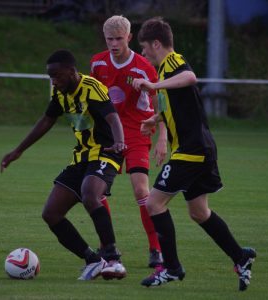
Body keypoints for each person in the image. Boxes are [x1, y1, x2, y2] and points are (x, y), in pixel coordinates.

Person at [131, 17, 256, 291]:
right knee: (199, 212)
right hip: (198, 149)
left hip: (192, 150)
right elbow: (177, 106)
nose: (142, 53)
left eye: (144, 47)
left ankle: (172, 268)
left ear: (156, 43)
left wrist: (154, 87)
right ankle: (240, 256)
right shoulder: (164, 71)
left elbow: (190, 77)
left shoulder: (173, 62)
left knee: (153, 204)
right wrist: (155, 118)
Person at [0, 49, 127, 281]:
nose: (54, 81)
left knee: (90, 194)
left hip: (107, 152)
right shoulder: (60, 94)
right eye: (51, 77)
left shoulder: (91, 87)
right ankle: (92, 260)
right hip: (82, 157)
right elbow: (47, 120)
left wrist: (119, 141)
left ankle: (112, 258)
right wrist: (18, 150)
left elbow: (112, 116)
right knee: (51, 213)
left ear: (71, 72)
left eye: (57, 76)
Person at [90, 15, 167, 268]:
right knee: (95, 191)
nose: (113, 43)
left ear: (129, 38)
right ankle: (107, 246)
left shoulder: (144, 66)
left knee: (141, 191)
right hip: (108, 135)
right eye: (109, 39)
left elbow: (161, 104)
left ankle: (156, 249)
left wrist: (162, 138)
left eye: (118, 38)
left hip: (136, 132)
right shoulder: (97, 64)